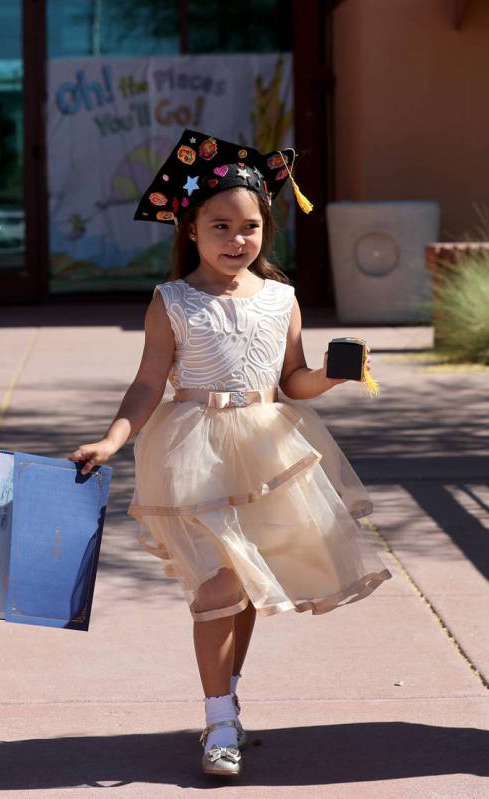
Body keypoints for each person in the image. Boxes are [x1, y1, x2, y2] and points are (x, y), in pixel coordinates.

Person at [67, 130, 392, 779]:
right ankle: (217, 717)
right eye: (220, 225)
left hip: (268, 448)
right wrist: (111, 438)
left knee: (244, 586)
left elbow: (290, 380)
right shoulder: (172, 301)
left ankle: (226, 701)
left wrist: (328, 375)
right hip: (193, 449)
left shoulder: (280, 297)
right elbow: (146, 382)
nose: (236, 239)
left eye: (249, 227)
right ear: (191, 228)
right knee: (217, 584)